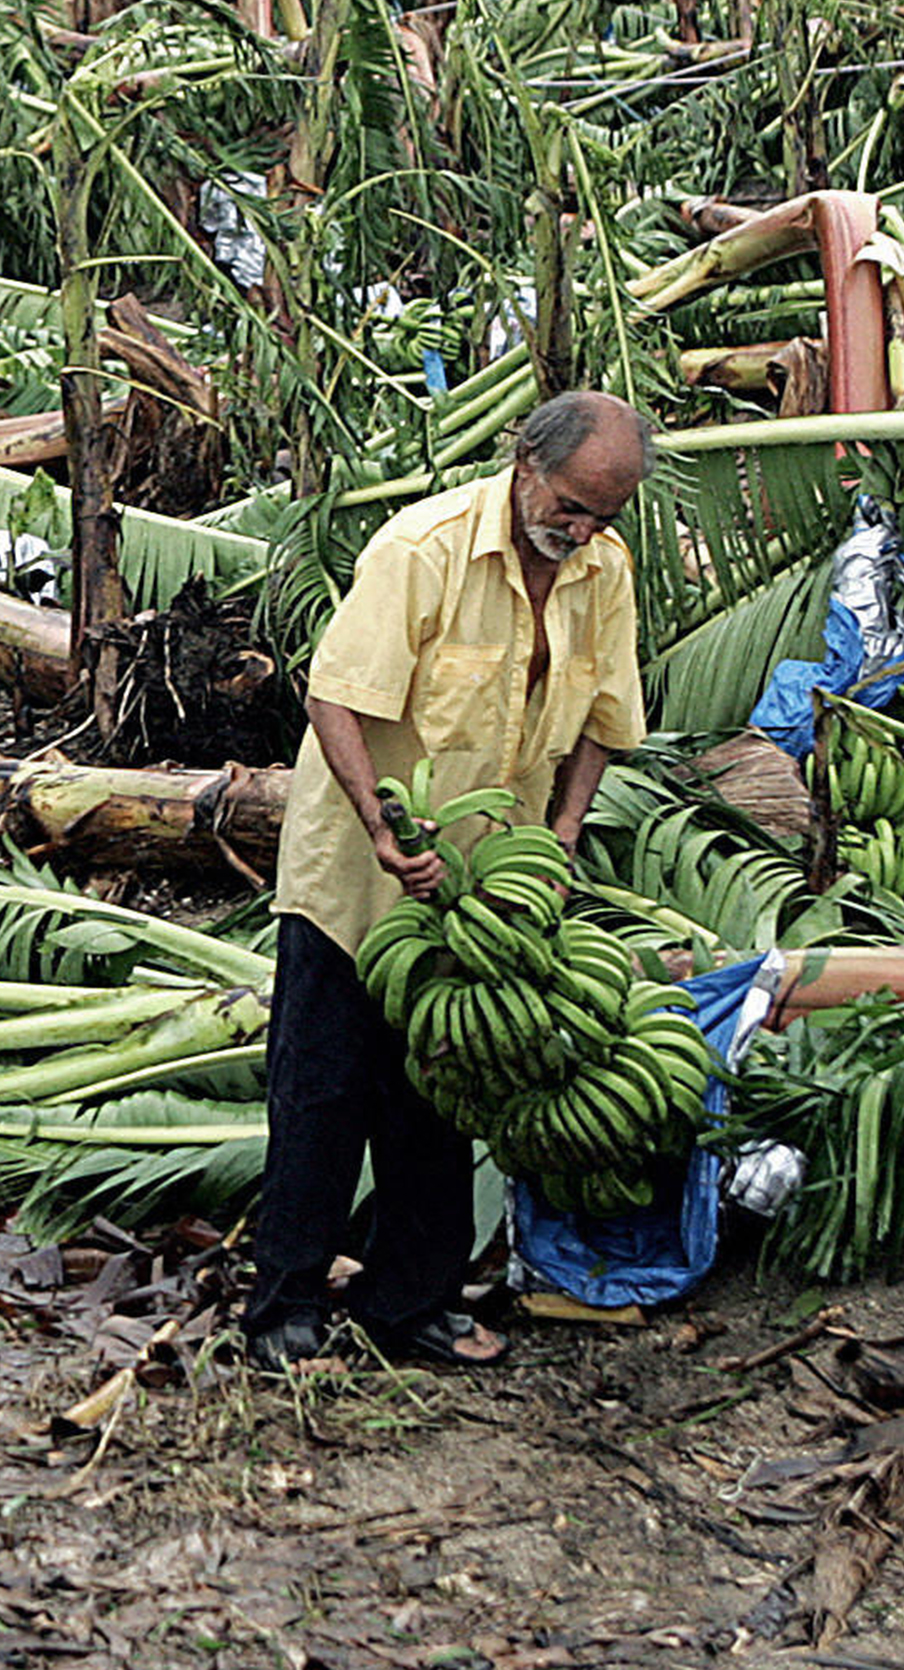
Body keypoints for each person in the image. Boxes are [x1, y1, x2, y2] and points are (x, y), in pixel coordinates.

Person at [243, 390, 652, 1371]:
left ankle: (409, 1303)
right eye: (569, 504)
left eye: (603, 514)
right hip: (359, 873)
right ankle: (283, 1311)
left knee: (439, 1095)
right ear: (524, 464)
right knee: (322, 1094)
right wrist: (382, 825)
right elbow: (334, 694)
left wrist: (557, 833)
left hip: (480, 889)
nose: (582, 529)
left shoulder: (602, 573)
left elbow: (603, 716)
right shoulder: (419, 550)